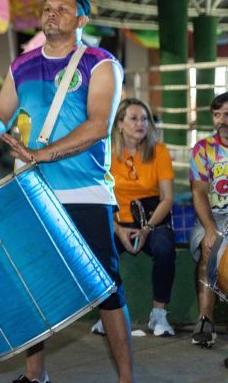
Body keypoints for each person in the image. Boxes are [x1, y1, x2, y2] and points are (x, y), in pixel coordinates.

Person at [0, 0, 132, 383]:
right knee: (32, 285)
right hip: (34, 191)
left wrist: (41, 153)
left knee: (107, 289)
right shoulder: (22, 66)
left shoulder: (100, 63)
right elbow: (1, 120)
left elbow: (98, 125)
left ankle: (127, 378)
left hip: (86, 190)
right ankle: (35, 375)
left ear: (81, 18)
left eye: (62, 8)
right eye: (47, 8)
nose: (51, 13)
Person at [89, 98, 175, 337]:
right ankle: (108, 314)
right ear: (119, 124)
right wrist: (117, 228)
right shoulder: (104, 151)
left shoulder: (159, 152)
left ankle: (159, 314)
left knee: (165, 248)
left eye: (145, 119)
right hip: (116, 220)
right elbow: (99, 195)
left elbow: (167, 198)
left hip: (151, 219)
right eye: (134, 118)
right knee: (99, 251)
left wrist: (147, 228)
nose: (141, 124)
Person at [189, 91, 228, 348]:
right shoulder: (203, 149)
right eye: (217, 115)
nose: (223, 120)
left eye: (227, 114)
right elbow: (199, 192)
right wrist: (210, 227)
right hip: (213, 215)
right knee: (210, 243)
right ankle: (205, 319)